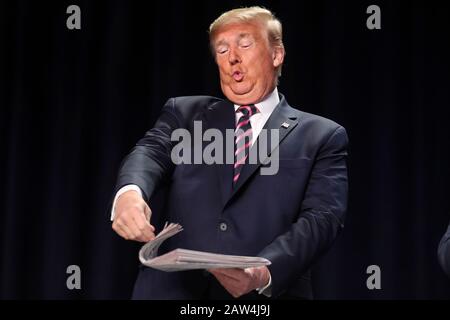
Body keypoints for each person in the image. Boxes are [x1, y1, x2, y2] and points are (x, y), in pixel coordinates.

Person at [111, 6, 348, 299]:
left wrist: (263, 271)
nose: (232, 57)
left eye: (245, 44)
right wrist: (130, 194)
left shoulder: (322, 135)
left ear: (276, 55)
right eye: (221, 50)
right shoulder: (184, 113)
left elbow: (323, 217)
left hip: (260, 296)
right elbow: (149, 153)